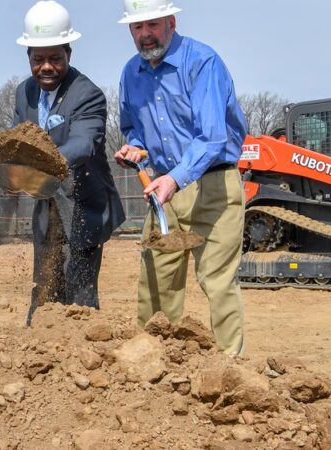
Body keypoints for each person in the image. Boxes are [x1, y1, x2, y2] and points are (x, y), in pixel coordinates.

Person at [113, 0, 247, 355]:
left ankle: (229, 372)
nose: (145, 35)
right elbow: (132, 128)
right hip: (163, 192)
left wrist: (174, 179)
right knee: (157, 283)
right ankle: (151, 365)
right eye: (137, 28)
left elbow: (213, 136)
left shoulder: (202, 62)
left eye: (152, 25)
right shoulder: (130, 74)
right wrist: (136, 150)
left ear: (171, 22)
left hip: (214, 188)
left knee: (218, 283)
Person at [14, 0, 125, 311]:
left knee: (79, 294)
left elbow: (84, 143)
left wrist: (45, 161)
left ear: (69, 54)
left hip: (84, 206)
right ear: (28, 57)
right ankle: (43, 348)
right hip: (46, 206)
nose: (46, 67)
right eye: (38, 59)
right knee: (45, 285)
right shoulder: (25, 92)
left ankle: (84, 353)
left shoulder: (87, 94)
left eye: (54, 58)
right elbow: (18, 136)